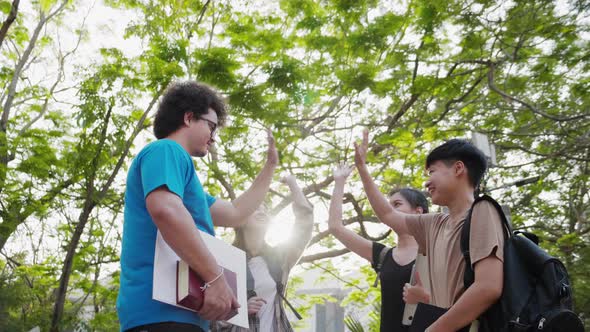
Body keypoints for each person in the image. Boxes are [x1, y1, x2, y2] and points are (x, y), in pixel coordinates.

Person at [117, 81, 279, 332]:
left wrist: (270, 167)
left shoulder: (181, 179)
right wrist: (216, 278)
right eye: (211, 126)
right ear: (189, 117)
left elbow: (236, 213)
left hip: (182, 315)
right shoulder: (167, 149)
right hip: (163, 315)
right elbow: (166, 211)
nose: (213, 138)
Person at [355, 129, 504, 332]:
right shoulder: (433, 224)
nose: (427, 182)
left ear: (458, 168)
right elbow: (388, 215)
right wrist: (362, 169)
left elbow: (488, 287)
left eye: (432, 171)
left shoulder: (482, 213)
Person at [328, 163, 430, 331]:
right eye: (387, 205)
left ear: (418, 212)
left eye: (396, 204)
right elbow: (335, 227)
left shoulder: (437, 252)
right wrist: (339, 181)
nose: (388, 210)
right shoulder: (382, 255)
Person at [212, 174, 314, 332]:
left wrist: (292, 182)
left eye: (266, 209)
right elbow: (209, 317)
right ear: (239, 218)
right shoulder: (224, 260)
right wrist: (239, 312)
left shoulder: (280, 259)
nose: (262, 212)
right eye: (255, 208)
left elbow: (305, 222)